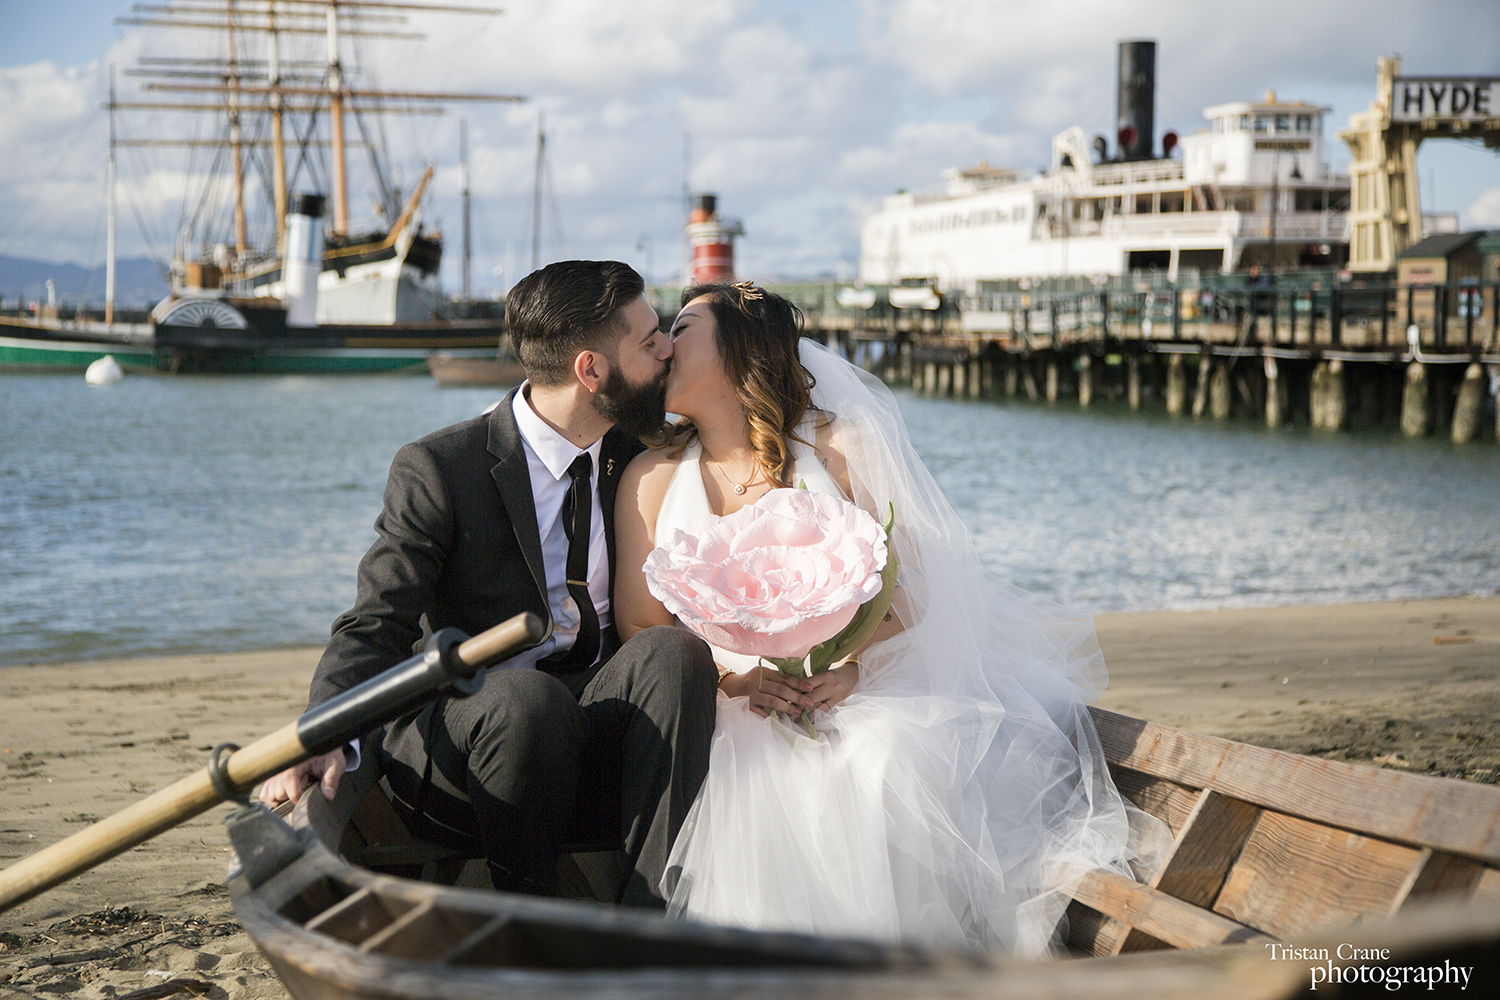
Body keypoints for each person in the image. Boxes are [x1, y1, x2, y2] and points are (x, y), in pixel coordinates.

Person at [613, 281, 1164, 954]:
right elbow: (642, 628)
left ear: (738, 351)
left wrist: (851, 668)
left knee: (879, 760)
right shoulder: (650, 476)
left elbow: (916, 596)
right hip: (727, 703)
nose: (664, 344)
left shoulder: (837, 447)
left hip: (857, 686)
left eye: (683, 327)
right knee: (752, 778)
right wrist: (734, 682)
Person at [260, 260, 718, 908]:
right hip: (477, 734)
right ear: (591, 371)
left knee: (675, 654)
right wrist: (323, 729)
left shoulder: (635, 455)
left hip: (595, 718)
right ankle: (529, 920)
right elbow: (377, 620)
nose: (668, 347)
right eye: (649, 342)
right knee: (528, 701)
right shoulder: (443, 468)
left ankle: (651, 926)